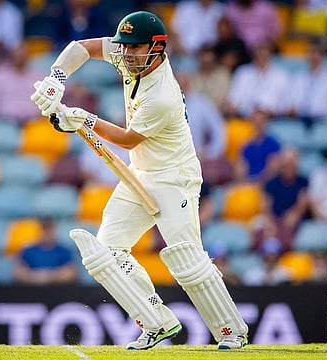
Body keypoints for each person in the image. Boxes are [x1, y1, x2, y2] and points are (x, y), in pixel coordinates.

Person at [30, 11, 249, 350]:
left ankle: (232, 331)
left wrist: (82, 118)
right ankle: (156, 321)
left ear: (157, 48)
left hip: (175, 177)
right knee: (106, 251)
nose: (127, 54)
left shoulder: (162, 94)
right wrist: (56, 78)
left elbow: (129, 138)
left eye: (136, 48)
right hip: (141, 174)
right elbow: (82, 47)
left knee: (185, 258)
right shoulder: (127, 56)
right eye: (125, 46)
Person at [0, 45, 45, 123]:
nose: (20, 57)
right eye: (17, 54)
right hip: (5, 124)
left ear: (28, 56)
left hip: (34, 124)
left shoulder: (40, 77)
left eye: (22, 54)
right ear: (11, 56)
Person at [14, 218, 78, 285]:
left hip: (58, 291)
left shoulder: (64, 251)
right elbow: (19, 273)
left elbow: (71, 273)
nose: (47, 233)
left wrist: (49, 276)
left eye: (49, 229)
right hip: (31, 291)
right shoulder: (28, 251)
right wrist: (36, 277)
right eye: (44, 229)